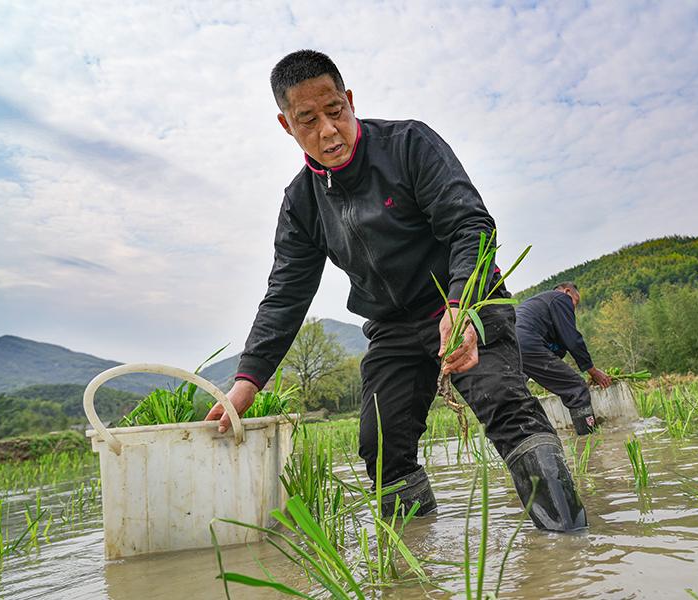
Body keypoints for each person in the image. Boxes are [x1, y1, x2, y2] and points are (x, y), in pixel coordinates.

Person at [204, 50, 586, 531]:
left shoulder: (408, 144)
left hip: (464, 302)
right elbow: (285, 294)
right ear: (286, 126)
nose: (327, 130)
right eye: (308, 120)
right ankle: (414, 564)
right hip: (392, 325)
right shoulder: (301, 203)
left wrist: (460, 304)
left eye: (335, 111)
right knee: (380, 444)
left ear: (349, 100)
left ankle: (570, 543)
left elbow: (471, 225)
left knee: (504, 404)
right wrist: (247, 381)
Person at [515, 282, 612, 435]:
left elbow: (556, 351)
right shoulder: (560, 298)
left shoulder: (540, 304)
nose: (573, 308)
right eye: (575, 302)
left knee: (518, 397)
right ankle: (591, 443)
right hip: (527, 342)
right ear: (568, 292)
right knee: (576, 387)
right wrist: (593, 371)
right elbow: (572, 340)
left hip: (511, 345)